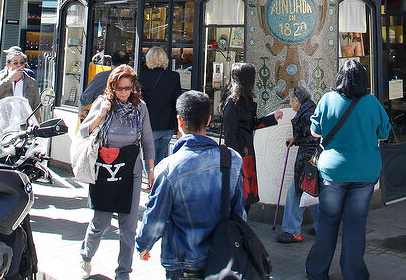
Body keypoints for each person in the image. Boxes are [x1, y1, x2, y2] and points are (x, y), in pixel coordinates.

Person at [135, 90, 245, 279]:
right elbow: (239, 211)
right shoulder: (232, 159)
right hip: (223, 256)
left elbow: (156, 216)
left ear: (180, 121)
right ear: (209, 120)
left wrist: (144, 245)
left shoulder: (168, 168)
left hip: (183, 260)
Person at [304, 59, 390, 280]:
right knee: (355, 224)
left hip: (333, 172)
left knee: (327, 222)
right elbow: (384, 134)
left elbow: (315, 131)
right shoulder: (372, 103)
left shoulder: (327, 100)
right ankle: (354, 273)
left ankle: (317, 271)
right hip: (365, 172)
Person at [79, 65, 154, 280]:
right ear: (112, 87)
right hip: (105, 170)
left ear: (133, 87)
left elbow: (147, 140)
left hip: (131, 170)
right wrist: (101, 114)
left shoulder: (141, 108)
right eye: (120, 88)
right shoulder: (103, 104)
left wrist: (151, 168)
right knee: (100, 223)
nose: (124, 93)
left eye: (128, 88)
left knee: (128, 226)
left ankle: (124, 272)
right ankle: (86, 255)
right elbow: (85, 131)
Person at [221, 62, 283, 208]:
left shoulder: (244, 100)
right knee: (241, 197)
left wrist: (272, 118)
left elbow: (251, 124)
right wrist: (236, 161)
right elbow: (229, 135)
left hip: (247, 152)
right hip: (241, 156)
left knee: (246, 198)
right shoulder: (232, 103)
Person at [276, 84, 319, 244]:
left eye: (291, 101)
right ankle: (323, 227)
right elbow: (310, 135)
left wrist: (307, 163)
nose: (290, 104)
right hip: (312, 159)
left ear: (297, 100)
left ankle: (292, 231)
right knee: (312, 191)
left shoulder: (307, 114)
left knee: (296, 192)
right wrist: (296, 140)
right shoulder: (309, 110)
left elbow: (313, 138)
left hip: (307, 159)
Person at [140, 46, 183, 166]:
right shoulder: (174, 77)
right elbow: (178, 101)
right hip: (168, 124)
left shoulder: (143, 77)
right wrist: (179, 127)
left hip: (149, 124)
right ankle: (158, 181)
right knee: (162, 158)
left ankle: (152, 182)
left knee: (148, 160)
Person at [0, 47, 42, 137]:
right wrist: (10, 79)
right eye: (15, 63)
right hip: (0, 131)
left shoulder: (32, 83)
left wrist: (34, 125)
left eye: (22, 62)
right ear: (8, 65)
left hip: (22, 132)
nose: (19, 65)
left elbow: (35, 107)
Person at [80, 50, 131, 119]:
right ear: (127, 64)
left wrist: (84, 113)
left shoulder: (101, 77)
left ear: (111, 63)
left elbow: (85, 100)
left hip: (101, 120)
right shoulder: (132, 80)